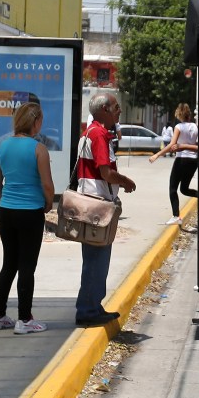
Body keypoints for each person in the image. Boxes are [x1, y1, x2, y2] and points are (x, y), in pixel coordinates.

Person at [0, 102, 55, 334]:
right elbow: (47, 184)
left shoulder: (3, 147)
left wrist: (7, 198)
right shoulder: (39, 149)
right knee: (27, 266)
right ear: (35, 121)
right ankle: (24, 319)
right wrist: (48, 203)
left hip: (7, 211)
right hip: (30, 212)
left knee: (9, 264)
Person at [75, 93, 136, 326]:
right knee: (97, 261)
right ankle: (88, 310)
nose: (119, 111)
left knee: (93, 259)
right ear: (103, 109)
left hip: (90, 204)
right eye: (116, 107)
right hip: (98, 206)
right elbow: (106, 172)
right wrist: (126, 181)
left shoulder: (89, 132)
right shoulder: (99, 134)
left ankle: (91, 305)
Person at [149, 102, 198, 232]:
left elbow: (172, 145)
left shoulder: (179, 127)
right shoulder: (195, 127)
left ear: (179, 114)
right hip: (193, 161)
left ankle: (176, 216)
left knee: (172, 188)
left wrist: (157, 155)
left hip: (181, 160)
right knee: (184, 189)